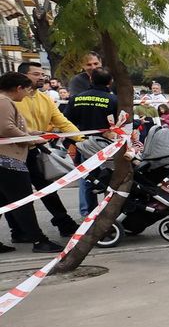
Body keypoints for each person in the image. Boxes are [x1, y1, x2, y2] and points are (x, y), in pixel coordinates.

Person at [0, 73, 64, 253]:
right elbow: (6, 128)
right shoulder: (4, 101)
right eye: (26, 89)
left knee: (4, 202)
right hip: (9, 161)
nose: (27, 94)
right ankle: (39, 241)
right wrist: (30, 139)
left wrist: (33, 133)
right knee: (23, 202)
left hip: (5, 161)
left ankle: (26, 235)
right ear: (18, 88)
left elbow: (11, 127)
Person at [15, 62, 79, 236]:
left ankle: (64, 223)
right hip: (11, 154)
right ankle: (22, 232)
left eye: (42, 74)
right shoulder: (10, 98)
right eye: (36, 74)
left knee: (47, 189)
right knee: (16, 196)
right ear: (23, 76)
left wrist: (81, 139)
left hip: (34, 151)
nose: (42, 77)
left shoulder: (45, 98)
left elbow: (62, 122)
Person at [63, 67, 118, 218]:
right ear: (110, 82)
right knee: (111, 179)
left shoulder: (76, 98)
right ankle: (110, 212)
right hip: (108, 146)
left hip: (83, 145)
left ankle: (88, 214)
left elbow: (66, 122)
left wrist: (69, 143)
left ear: (91, 80)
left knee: (88, 179)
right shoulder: (113, 100)